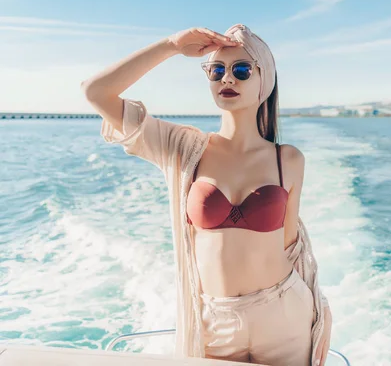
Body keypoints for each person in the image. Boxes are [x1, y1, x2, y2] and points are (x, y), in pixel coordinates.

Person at [81, 24, 332, 366]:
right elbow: (96, 92)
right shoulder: (183, 149)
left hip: (285, 314)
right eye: (217, 71)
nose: (227, 79)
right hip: (214, 322)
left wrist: (316, 305)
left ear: (265, 79)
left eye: (241, 69)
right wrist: (170, 46)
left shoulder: (288, 159)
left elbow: (290, 244)